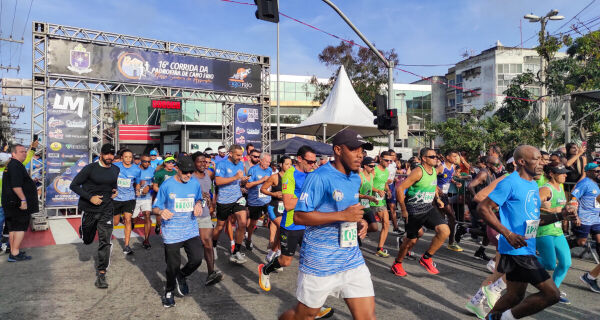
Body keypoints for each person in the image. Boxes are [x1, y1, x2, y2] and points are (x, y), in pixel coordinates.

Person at [275, 129, 375, 320]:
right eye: (354, 149)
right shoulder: (319, 177)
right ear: (338, 150)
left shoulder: (355, 177)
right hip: (320, 261)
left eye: (362, 150)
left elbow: (347, 209)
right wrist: (343, 215)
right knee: (303, 316)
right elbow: (300, 217)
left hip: (351, 258)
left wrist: (358, 220)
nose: (360, 154)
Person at [478, 145, 577, 320]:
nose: (542, 164)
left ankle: (492, 318)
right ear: (522, 162)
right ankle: (502, 318)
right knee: (552, 294)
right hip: (517, 250)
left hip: (526, 245)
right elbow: (483, 207)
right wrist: (508, 234)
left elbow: (534, 221)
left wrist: (560, 215)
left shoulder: (532, 185)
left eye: (542, 160)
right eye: (537, 159)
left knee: (514, 296)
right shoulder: (510, 182)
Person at [257, 146, 334, 319]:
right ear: (299, 159)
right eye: (309, 161)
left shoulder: (312, 174)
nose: (312, 164)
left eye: (315, 161)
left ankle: (313, 305)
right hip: (291, 224)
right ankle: (265, 270)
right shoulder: (290, 175)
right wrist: (309, 197)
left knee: (312, 264)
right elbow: (289, 204)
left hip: (308, 225)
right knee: (285, 262)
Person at [152, 155, 204, 308]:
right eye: (185, 172)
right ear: (177, 169)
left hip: (190, 230)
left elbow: (199, 199)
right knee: (172, 266)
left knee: (197, 260)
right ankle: (169, 292)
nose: (189, 175)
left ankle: (181, 275)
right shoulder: (167, 185)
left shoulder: (194, 183)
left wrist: (199, 204)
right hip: (172, 232)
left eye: (191, 172)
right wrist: (161, 212)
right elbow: (155, 207)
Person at [392, 147, 450, 277]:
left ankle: (426, 258)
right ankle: (397, 263)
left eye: (436, 156)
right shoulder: (418, 172)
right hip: (414, 210)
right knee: (410, 241)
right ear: (424, 159)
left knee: (445, 230)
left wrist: (438, 198)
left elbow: (433, 185)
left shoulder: (434, 171)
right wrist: (403, 209)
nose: (436, 159)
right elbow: (400, 189)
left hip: (428, 207)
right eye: (432, 157)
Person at [70, 144, 119, 288]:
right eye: (107, 154)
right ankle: (84, 231)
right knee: (87, 240)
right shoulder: (90, 168)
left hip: (107, 209)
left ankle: (102, 273)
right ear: (101, 154)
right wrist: (90, 198)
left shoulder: (116, 169)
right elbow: (73, 185)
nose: (110, 157)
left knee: (105, 241)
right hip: (90, 209)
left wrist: (114, 191)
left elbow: (112, 185)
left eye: (112, 154)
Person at [536, 164, 572, 304]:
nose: (565, 175)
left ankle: (553, 291)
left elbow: (561, 208)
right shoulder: (545, 189)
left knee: (566, 263)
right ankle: (522, 260)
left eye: (565, 173)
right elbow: (530, 208)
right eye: (562, 173)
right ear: (551, 174)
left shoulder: (560, 187)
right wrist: (551, 211)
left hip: (557, 231)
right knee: (549, 264)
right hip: (544, 230)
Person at [212, 144, 249, 264]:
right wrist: (234, 177)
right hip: (224, 200)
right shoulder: (221, 164)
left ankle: (236, 252)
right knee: (220, 226)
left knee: (242, 223)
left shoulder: (240, 164)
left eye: (241, 155)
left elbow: (239, 179)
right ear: (230, 154)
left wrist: (243, 180)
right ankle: (213, 246)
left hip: (237, 198)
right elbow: (217, 181)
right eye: (238, 155)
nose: (240, 157)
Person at [2, 144, 40, 262]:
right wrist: (23, 200)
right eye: (21, 152)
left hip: (11, 202)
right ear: (13, 153)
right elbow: (16, 186)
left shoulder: (12, 165)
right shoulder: (15, 166)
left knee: (13, 228)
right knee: (19, 228)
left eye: (25, 151)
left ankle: (13, 251)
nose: (24, 153)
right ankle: (15, 253)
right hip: (18, 203)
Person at [191, 152, 224, 286]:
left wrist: (210, 202)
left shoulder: (208, 176)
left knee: (208, 243)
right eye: (200, 161)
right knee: (191, 249)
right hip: (189, 216)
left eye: (205, 161)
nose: (203, 164)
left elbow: (210, 191)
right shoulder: (190, 177)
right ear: (193, 163)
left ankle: (211, 273)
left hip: (204, 214)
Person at [570, 162, 600, 293]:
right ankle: (562, 246)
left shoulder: (596, 185)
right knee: (581, 242)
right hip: (584, 219)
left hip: (596, 219)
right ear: (588, 172)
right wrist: (575, 215)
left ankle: (592, 275)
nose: (598, 173)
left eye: (599, 171)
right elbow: (573, 197)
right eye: (595, 171)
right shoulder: (584, 183)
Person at [260, 155, 292, 262]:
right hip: (274, 207)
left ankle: (272, 253)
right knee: (282, 228)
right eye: (287, 164)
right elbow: (262, 189)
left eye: (290, 164)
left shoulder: (292, 177)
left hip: (286, 208)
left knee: (280, 230)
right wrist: (273, 194)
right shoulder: (274, 177)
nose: (289, 166)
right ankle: (275, 252)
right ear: (281, 164)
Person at [113, 149, 141, 255]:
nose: (128, 159)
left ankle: (126, 245)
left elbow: (137, 183)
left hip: (129, 198)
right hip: (116, 198)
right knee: (115, 222)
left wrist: (138, 190)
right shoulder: (116, 166)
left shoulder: (136, 169)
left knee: (128, 220)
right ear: (122, 158)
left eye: (130, 157)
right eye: (126, 157)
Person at [436, 150, 463, 252]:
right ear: (447, 157)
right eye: (454, 156)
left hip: (445, 195)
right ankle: (451, 242)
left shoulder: (452, 167)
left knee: (442, 218)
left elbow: (449, 178)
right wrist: (436, 188)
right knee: (452, 217)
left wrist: (455, 182)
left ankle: (445, 240)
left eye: (456, 156)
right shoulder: (441, 167)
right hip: (437, 196)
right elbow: (432, 177)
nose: (456, 158)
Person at [245, 152, 272, 250]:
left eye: (269, 162)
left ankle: (271, 242)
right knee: (253, 223)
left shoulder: (269, 170)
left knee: (272, 220)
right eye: (266, 162)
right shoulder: (253, 170)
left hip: (267, 200)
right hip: (255, 201)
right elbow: (247, 185)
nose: (268, 164)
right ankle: (249, 239)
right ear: (260, 160)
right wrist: (261, 181)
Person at [370, 151, 392, 257]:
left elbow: (384, 184)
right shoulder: (374, 170)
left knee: (386, 224)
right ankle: (356, 239)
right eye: (386, 160)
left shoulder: (387, 171)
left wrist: (388, 191)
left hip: (381, 202)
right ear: (380, 158)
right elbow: (367, 184)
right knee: (368, 225)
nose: (389, 162)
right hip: (370, 201)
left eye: (390, 161)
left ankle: (380, 248)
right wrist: (376, 190)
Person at [152, 156, 177, 235]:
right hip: (161, 196)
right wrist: (163, 193)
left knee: (171, 214)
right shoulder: (159, 173)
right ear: (165, 163)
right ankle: (158, 225)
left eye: (172, 162)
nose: (171, 164)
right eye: (169, 162)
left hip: (172, 197)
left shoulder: (176, 172)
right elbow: (155, 186)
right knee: (160, 215)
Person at [134, 154, 155, 249]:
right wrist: (136, 184)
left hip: (147, 197)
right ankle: (132, 223)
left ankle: (146, 240)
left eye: (149, 161)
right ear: (140, 161)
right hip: (135, 198)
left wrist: (149, 186)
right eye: (145, 161)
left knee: (147, 215)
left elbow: (154, 183)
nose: (147, 163)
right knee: (132, 219)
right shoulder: (135, 169)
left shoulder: (152, 170)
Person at [359, 157, 380, 235]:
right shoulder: (360, 177)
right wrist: (368, 197)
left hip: (367, 206)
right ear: (365, 166)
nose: (373, 168)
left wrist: (377, 191)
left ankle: (358, 233)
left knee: (374, 227)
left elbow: (369, 187)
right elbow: (354, 194)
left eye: (374, 166)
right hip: (358, 207)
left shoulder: (372, 176)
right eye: (371, 166)